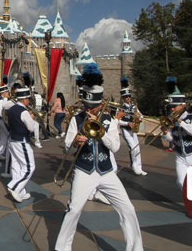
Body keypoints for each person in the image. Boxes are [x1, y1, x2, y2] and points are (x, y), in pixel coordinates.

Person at [55, 63, 143, 251]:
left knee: (128, 208)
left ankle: (136, 248)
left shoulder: (109, 121)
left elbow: (116, 147)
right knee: (74, 210)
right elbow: (66, 146)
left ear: (101, 104)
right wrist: (75, 142)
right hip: (84, 170)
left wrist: (100, 131)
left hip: (106, 171)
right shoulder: (76, 119)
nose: (90, 110)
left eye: (93, 107)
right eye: (87, 106)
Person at [161, 77, 192, 190]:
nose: (172, 109)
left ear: (182, 106)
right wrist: (165, 131)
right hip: (180, 156)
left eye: (174, 107)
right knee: (180, 182)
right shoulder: (172, 120)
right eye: (171, 107)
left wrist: (180, 122)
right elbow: (170, 138)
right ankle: (191, 202)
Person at [5, 86, 38, 202]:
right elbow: (31, 128)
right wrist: (32, 118)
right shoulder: (24, 112)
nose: (29, 101)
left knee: (17, 166)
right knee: (29, 167)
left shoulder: (11, 109)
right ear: (24, 99)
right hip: (21, 140)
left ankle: (21, 191)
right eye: (28, 99)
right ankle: (14, 187)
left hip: (12, 139)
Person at [116, 77, 147, 176]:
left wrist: (139, 117)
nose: (128, 98)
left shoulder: (134, 107)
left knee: (137, 148)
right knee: (133, 148)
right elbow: (118, 121)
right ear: (122, 98)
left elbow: (141, 115)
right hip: (126, 130)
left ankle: (139, 167)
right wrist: (127, 123)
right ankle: (134, 166)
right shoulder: (120, 108)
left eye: (129, 96)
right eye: (126, 97)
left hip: (133, 130)